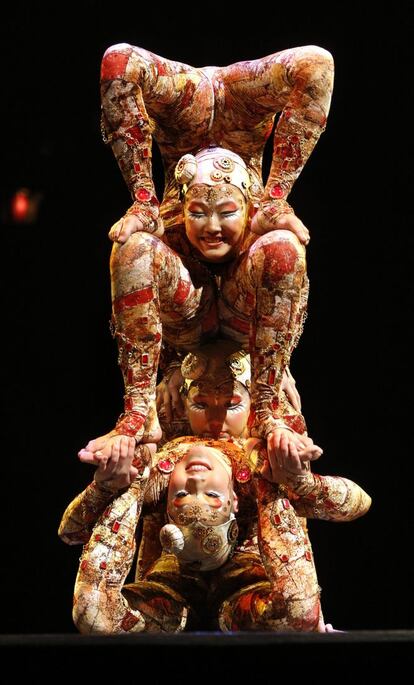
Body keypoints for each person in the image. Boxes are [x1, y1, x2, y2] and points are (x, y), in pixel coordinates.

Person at [81, 43, 334, 465]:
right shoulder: (171, 227)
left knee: (285, 247)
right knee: (133, 247)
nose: (212, 227)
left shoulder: (259, 233)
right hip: (196, 311)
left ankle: (267, 411)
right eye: (197, 213)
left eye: (226, 213)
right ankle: (138, 414)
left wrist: (273, 198)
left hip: (231, 308)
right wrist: (144, 200)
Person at [60, 434, 370, 634]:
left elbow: (358, 503)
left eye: (189, 494)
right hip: (173, 591)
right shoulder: (158, 473)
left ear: (235, 502)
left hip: (243, 588)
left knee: (298, 612)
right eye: (180, 494)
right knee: (92, 616)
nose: (195, 480)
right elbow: (70, 533)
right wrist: (120, 488)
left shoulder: (254, 468)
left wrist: (298, 482)